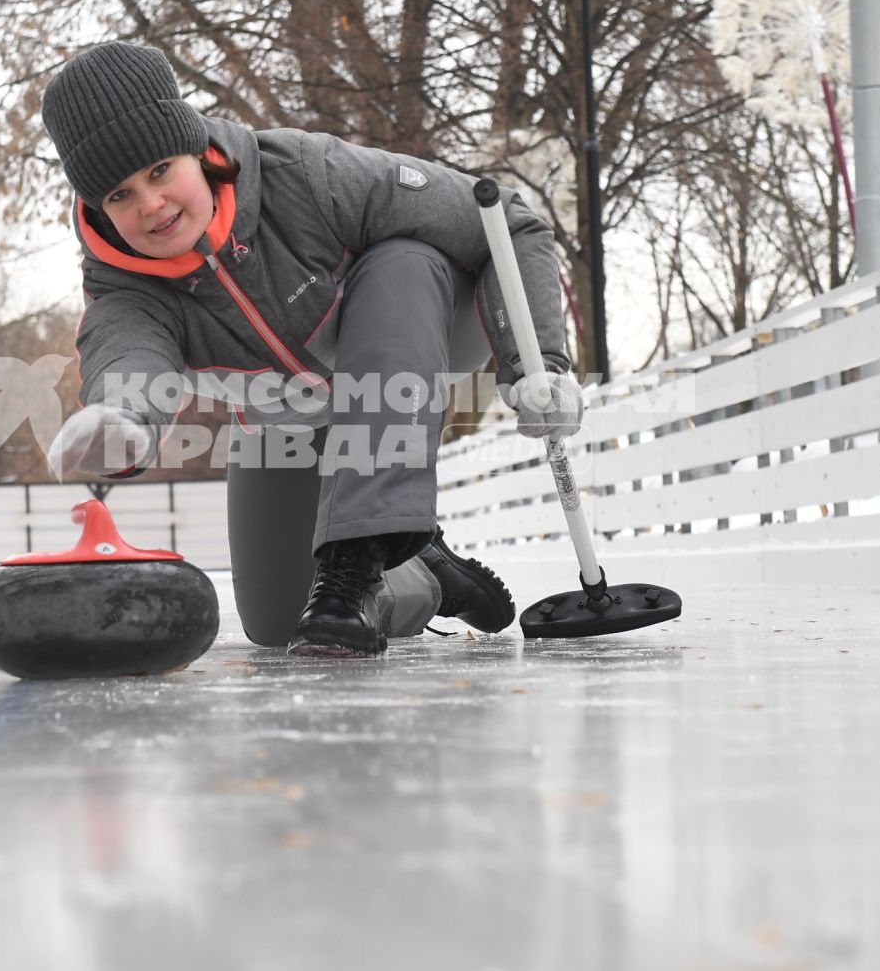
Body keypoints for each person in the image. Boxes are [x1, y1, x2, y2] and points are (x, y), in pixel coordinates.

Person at [40, 41, 583, 657]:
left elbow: (505, 222)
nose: (151, 206)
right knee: (277, 622)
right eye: (120, 196)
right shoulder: (124, 284)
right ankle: (422, 571)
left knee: (402, 257)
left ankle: (359, 554)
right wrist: (124, 419)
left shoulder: (304, 174)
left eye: (161, 170)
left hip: (413, 339)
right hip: (287, 412)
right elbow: (126, 350)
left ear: (194, 147)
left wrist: (537, 363)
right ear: (100, 209)